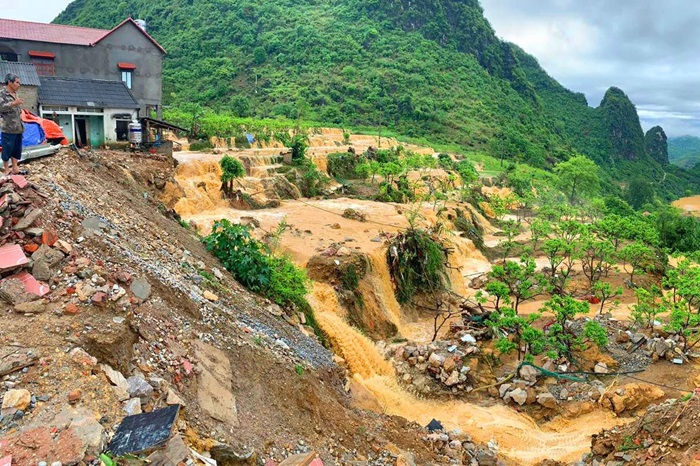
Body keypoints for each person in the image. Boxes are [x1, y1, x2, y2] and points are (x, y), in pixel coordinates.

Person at [0, 74, 24, 176]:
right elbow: (1, 108)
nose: (19, 85)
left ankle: (15, 168)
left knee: (16, 149)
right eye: (17, 82)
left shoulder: (15, 94)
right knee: (7, 149)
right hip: (8, 127)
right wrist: (13, 103)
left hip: (18, 127)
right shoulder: (2, 94)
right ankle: (6, 169)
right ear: (10, 82)